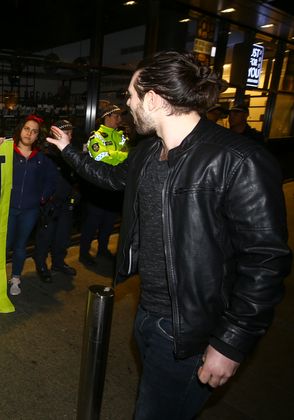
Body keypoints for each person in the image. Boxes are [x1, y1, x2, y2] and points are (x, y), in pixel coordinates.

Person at [46, 51, 291, 419]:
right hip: (148, 314)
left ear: (156, 99)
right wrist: (68, 151)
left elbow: (266, 261)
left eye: (132, 94)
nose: (127, 103)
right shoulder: (147, 152)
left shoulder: (238, 160)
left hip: (194, 329)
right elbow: (112, 179)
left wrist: (232, 342)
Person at [0, 115, 56, 295]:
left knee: (21, 246)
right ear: (20, 130)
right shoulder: (6, 151)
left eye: (34, 131)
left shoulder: (41, 159)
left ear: (38, 136)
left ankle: (15, 279)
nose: (29, 133)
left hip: (30, 210)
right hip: (8, 208)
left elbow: (52, 180)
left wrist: (42, 198)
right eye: (27, 129)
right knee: (4, 246)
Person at [79, 103, 128, 269]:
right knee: (91, 224)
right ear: (107, 117)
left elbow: (127, 156)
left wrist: (114, 155)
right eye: (116, 116)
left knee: (109, 223)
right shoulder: (96, 137)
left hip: (114, 190)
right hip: (97, 190)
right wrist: (118, 156)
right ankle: (83, 254)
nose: (119, 119)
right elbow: (101, 157)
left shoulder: (121, 136)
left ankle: (102, 249)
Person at [33, 119, 79, 282]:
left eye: (71, 133)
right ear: (56, 134)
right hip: (49, 205)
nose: (70, 136)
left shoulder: (70, 152)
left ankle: (58, 263)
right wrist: (44, 200)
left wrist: (75, 194)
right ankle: (41, 265)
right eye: (66, 133)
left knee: (63, 236)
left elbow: (76, 176)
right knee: (45, 237)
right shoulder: (44, 154)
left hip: (66, 203)